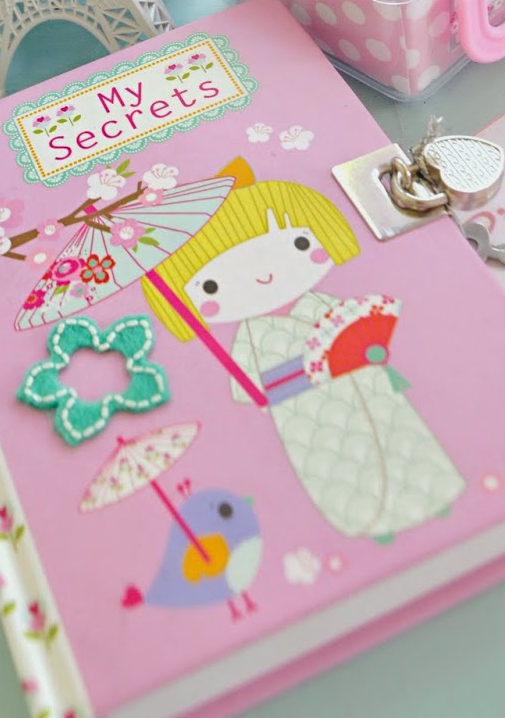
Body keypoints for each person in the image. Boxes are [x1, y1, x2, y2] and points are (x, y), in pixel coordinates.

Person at [143, 168, 464, 541]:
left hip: (364, 384)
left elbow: (359, 332)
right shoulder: (251, 337)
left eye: (297, 243)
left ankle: (435, 493)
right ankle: (367, 524)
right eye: (210, 285)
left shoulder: (320, 305)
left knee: (397, 434)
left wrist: (362, 352)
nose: (263, 276)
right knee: (337, 467)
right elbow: (247, 392)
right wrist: (288, 380)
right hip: (306, 414)